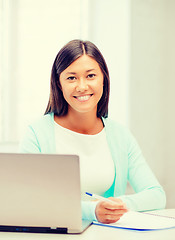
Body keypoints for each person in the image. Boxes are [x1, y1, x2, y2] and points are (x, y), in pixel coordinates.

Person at [19, 39, 166, 224]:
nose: (82, 86)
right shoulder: (37, 134)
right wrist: (92, 210)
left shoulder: (120, 136)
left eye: (90, 76)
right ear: (59, 83)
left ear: (103, 78)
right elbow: (31, 199)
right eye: (71, 78)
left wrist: (120, 204)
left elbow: (157, 195)